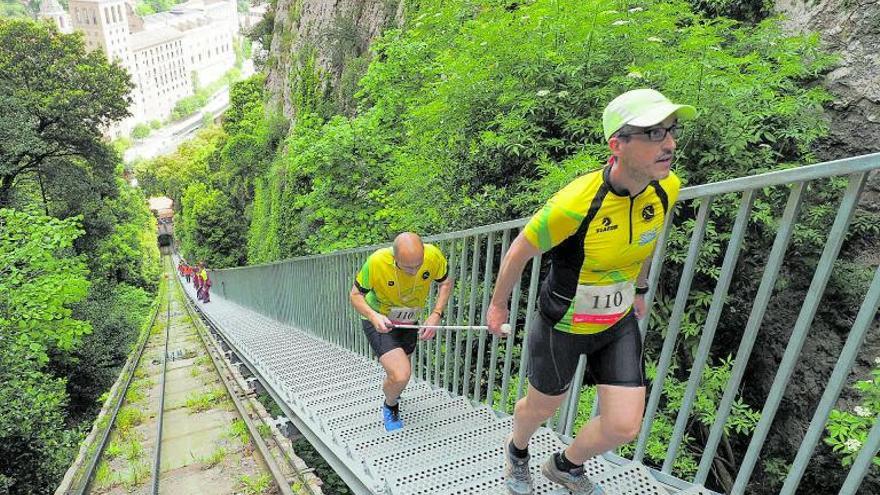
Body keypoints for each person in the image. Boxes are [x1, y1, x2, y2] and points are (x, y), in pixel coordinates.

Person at [486, 88, 695, 494]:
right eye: (653, 133)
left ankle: (566, 465)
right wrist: (497, 306)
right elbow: (518, 251)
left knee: (623, 424)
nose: (669, 143)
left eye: (671, 131)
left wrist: (639, 287)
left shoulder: (666, 187)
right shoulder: (574, 204)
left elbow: (646, 241)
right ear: (617, 144)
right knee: (542, 407)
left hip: (615, 322)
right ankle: (517, 451)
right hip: (563, 324)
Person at [350, 232, 454, 431]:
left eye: (418, 265)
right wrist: (373, 316)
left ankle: (393, 389)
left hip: (409, 322)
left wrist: (436, 314)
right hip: (380, 320)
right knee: (401, 374)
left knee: (403, 370)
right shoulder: (376, 262)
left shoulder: (433, 256)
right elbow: (355, 295)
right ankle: (390, 406)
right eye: (408, 268)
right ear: (394, 258)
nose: (415, 272)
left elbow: (445, 282)